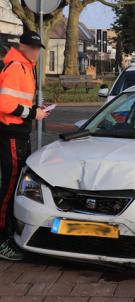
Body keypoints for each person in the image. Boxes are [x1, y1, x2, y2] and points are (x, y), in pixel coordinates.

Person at [0, 31, 49, 261]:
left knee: (16, 185)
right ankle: (1, 241)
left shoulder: (25, 66)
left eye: (39, 48)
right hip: (10, 133)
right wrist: (32, 113)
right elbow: (4, 103)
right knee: (9, 187)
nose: (36, 52)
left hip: (19, 132)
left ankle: (9, 235)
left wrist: (36, 109)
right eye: (33, 48)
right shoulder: (15, 67)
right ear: (22, 46)